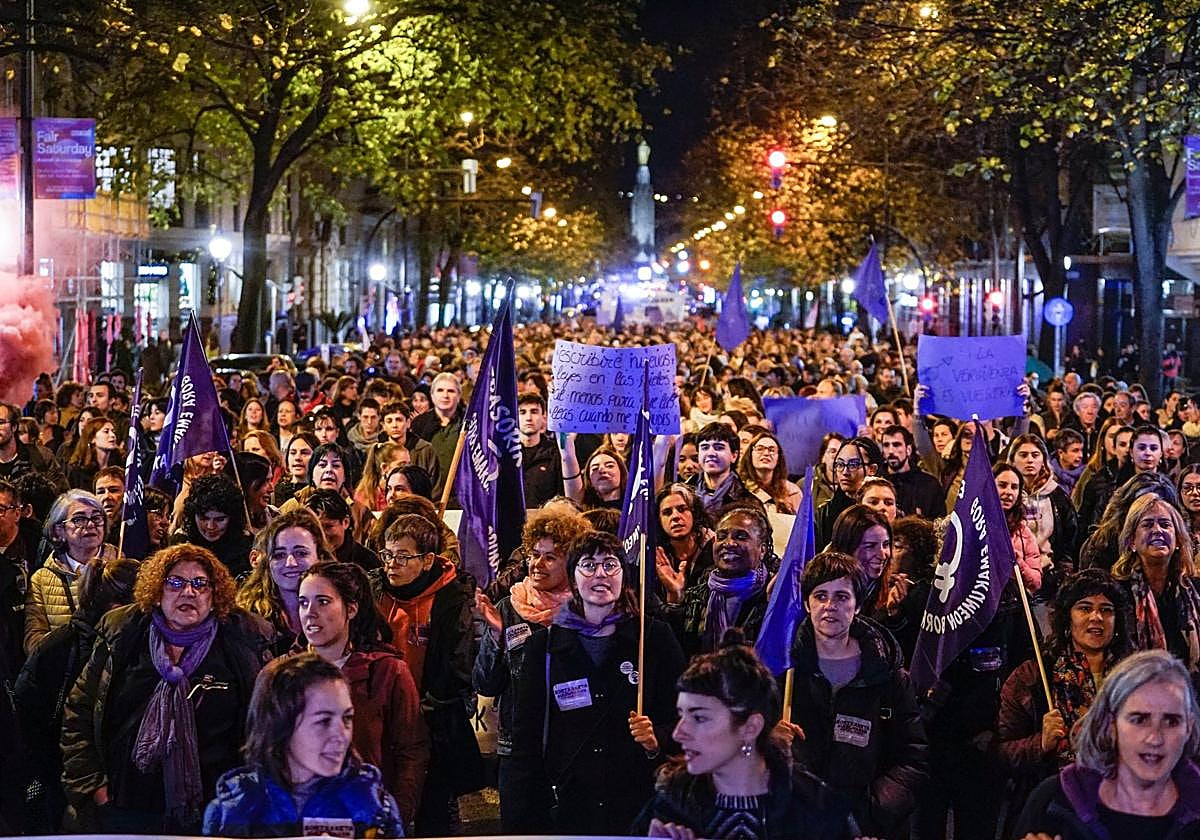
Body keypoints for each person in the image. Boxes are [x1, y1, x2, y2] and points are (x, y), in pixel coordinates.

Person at [61, 544, 273, 833]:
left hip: (212, 810)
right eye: (175, 582)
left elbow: (263, 729)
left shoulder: (240, 642)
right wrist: (94, 788)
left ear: (215, 595)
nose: (189, 592)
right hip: (124, 806)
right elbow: (79, 713)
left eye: (200, 584)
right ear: (156, 591)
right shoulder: (122, 633)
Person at [505, 530, 685, 835]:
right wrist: (520, 821)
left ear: (624, 576)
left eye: (610, 564)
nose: (600, 574)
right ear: (573, 579)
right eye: (588, 565)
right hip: (569, 809)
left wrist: (658, 739)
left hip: (639, 808)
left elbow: (687, 719)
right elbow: (526, 741)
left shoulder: (653, 639)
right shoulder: (544, 647)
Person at [632, 641, 855, 840]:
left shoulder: (815, 807)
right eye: (681, 715)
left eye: (699, 717)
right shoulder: (670, 805)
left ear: (750, 727)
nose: (678, 733)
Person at [785, 550, 927, 837]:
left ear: (857, 605)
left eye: (841, 597)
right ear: (806, 603)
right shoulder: (785, 672)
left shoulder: (888, 675)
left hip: (867, 828)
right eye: (820, 596)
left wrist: (870, 815)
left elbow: (912, 759)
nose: (829, 606)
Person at [472, 506, 590, 829]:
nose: (537, 564)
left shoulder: (586, 609)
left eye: (550, 557)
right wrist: (496, 639)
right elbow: (485, 683)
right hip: (518, 752)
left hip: (573, 749)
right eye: (534, 554)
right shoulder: (508, 607)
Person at [202, 653, 405, 838]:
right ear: (281, 724)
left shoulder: (373, 805)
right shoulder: (233, 809)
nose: (342, 735)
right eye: (323, 721)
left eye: (347, 718)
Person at [368, 513, 482, 835]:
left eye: (404, 557)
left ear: (428, 559)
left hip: (432, 718)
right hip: (380, 713)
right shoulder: (373, 587)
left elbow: (458, 666)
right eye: (388, 554)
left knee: (433, 812)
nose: (392, 564)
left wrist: (426, 709)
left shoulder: (451, 597)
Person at [1013, 650, 1200, 840]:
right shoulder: (1053, 802)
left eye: (1171, 722)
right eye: (1139, 719)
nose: (1154, 738)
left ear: (1189, 728)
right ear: (1111, 725)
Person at [297, 563, 428, 825]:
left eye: (323, 602)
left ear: (351, 609)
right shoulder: (281, 675)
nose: (310, 613)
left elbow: (411, 752)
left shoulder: (388, 672)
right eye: (303, 602)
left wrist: (394, 818)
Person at [15, 558, 139, 832]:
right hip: (71, 788)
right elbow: (38, 722)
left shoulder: (146, 647)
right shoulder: (62, 649)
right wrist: (89, 786)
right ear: (114, 607)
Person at [998, 570, 1132, 798]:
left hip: (1125, 803)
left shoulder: (1135, 677)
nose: (1096, 617)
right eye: (1085, 608)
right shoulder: (1033, 676)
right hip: (1055, 804)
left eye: (1106, 610)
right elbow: (1001, 754)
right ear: (1067, 618)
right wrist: (1039, 743)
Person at [1110, 494, 1200, 676]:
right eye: (1147, 524)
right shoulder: (1117, 592)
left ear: (1178, 541)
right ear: (1132, 541)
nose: (1157, 530)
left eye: (1165, 525)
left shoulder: (1195, 590)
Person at [664, 507, 771, 658]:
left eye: (740, 537)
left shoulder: (771, 596)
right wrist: (674, 601)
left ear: (763, 549)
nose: (728, 543)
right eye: (721, 536)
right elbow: (677, 652)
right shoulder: (697, 595)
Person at [25, 490, 120, 654]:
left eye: (96, 518)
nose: (90, 524)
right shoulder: (41, 579)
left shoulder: (123, 567)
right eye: (79, 519)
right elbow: (32, 643)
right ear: (58, 531)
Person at [237, 509, 333, 655]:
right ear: (268, 562)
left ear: (320, 556)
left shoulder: (342, 609)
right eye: (279, 555)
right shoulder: (246, 619)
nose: (290, 563)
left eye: (301, 553)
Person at [175, 474, 254, 578]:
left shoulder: (248, 548)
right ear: (192, 515)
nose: (210, 526)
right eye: (204, 518)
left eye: (220, 519)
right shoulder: (179, 545)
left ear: (233, 518)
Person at [816, 437, 881, 548]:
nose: (845, 472)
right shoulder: (825, 513)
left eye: (853, 465)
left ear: (872, 469)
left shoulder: (883, 508)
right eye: (840, 464)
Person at [653, 483, 714, 601]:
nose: (675, 516)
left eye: (682, 509)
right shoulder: (653, 556)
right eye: (667, 512)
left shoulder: (715, 548)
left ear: (694, 513)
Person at [993, 461, 1045, 593]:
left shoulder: (1024, 533)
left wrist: (1016, 561)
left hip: (1012, 603)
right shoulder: (972, 526)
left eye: (1014, 487)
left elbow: (1036, 582)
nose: (1008, 492)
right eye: (1002, 485)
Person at [688, 422, 757, 520]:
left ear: (734, 456)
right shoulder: (683, 495)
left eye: (719, 448)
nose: (710, 453)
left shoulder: (749, 504)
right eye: (705, 448)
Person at [880, 425, 945, 519]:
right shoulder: (875, 482)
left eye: (896, 445)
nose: (890, 451)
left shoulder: (929, 484)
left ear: (908, 450)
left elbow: (939, 524)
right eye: (886, 445)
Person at [306, 489, 380, 571]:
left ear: (345, 522)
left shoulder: (367, 562)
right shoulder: (301, 559)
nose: (322, 534)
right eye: (315, 527)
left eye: (328, 526)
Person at [518, 393, 564, 508]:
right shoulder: (504, 454)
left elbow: (562, 498)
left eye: (534, 412)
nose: (528, 418)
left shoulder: (556, 454)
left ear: (544, 416)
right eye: (522, 412)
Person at [738, 430, 801, 514]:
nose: (766, 453)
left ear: (778, 458)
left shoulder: (792, 492)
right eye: (760, 449)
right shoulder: (738, 488)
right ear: (750, 456)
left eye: (771, 450)